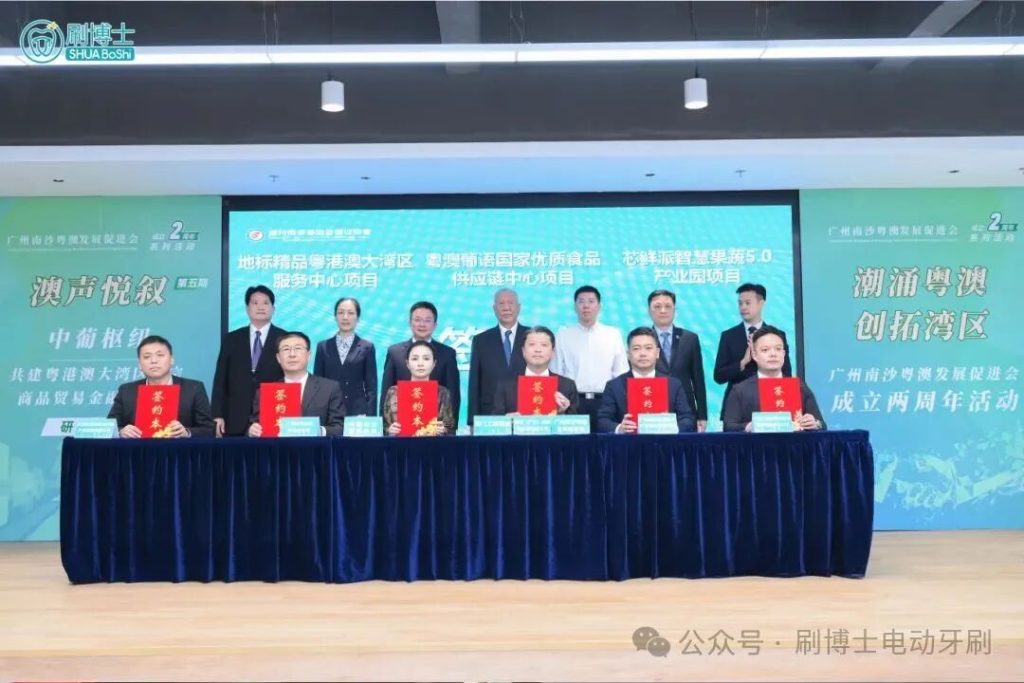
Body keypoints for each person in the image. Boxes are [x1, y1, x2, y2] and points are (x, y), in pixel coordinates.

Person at [551, 285, 628, 432]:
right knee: (575, 444)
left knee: (606, 443)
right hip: (573, 403)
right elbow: (556, 373)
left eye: (591, 301)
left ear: (599, 306)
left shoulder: (612, 334)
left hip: (606, 402)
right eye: (581, 301)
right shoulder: (563, 335)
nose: (586, 306)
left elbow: (620, 373)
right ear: (575, 307)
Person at [211, 285, 285, 436]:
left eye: (266, 303)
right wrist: (217, 414)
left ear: (273, 309)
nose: (260, 307)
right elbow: (220, 379)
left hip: (273, 414)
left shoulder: (284, 338)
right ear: (247, 308)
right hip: (234, 417)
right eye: (255, 303)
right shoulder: (232, 339)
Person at [108, 335, 215, 438]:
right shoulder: (126, 391)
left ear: (172, 360)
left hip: (179, 449)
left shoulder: (193, 389)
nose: (154, 361)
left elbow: (209, 429)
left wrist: (187, 433)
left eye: (160, 355)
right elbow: (109, 427)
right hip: (138, 449)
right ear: (139, 364)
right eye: (147, 357)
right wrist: (120, 431)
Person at [722, 325, 825, 432]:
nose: (773, 354)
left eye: (778, 349)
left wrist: (816, 424)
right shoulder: (740, 390)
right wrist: (749, 426)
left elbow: (822, 425)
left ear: (783, 354)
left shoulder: (800, 387)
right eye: (765, 350)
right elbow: (728, 427)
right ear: (754, 355)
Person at [713, 283, 793, 420]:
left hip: (771, 404)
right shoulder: (728, 336)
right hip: (737, 406)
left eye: (748, 303)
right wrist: (742, 363)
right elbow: (719, 376)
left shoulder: (777, 335)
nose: (743, 307)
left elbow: (786, 373)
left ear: (761, 303)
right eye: (740, 303)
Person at [596, 327, 696, 434]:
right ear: (628, 354)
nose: (642, 353)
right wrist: (620, 428)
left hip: (664, 443)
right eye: (636, 348)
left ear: (657, 353)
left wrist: (671, 427)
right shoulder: (614, 386)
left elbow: (687, 418)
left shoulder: (673, 385)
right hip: (628, 443)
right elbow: (602, 421)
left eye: (648, 348)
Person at [247, 332, 345, 437]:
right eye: (286, 349)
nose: (292, 354)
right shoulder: (265, 392)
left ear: (309, 355)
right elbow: (254, 424)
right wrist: (252, 431)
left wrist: (317, 430)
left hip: (315, 447)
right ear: (278, 358)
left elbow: (340, 427)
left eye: (298, 348)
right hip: (278, 447)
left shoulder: (329, 388)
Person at [380, 301, 461, 419]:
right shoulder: (395, 352)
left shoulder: (447, 354)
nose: (422, 324)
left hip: (435, 425)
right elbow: (386, 393)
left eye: (427, 320)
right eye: (417, 320)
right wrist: (386, 425)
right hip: (401, 424)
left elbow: (453, 394)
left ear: (435, 325)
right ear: (410, 323)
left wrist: (449, 426)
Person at [648, 289, 708, 432]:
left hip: (685, 410)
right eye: (657, 306)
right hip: (652, 409)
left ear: (675, 309)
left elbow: (698, 379)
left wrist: (702, 415)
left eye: (668, 306)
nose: (663, 310)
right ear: (649, 310)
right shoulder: (642, 340)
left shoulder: (690, 338)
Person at [468, 288, 528, 424]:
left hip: (526, 412)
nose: (506, 308)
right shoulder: (481, 340)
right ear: (494, 309)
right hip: (490, 413)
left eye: (510, 303)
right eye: (501, 304)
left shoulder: (532, 336)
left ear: (519, 307)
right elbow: (474, 383)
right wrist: (472, 421)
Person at [492, 325, 579, 416]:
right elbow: (495, 419)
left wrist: (562, 413)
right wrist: (508, 420)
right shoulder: (506, 385)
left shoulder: (567, 386)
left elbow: (576, 422)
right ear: (523, 351)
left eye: (544, 345)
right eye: (532, 344)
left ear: (553, 352)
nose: (538, 350)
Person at [313, 296, 378, 416]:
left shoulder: (367, 347)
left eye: (350, 313)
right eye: (341, 313)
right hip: (330, 412)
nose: (345, 317)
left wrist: (370, 417)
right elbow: (318, 384)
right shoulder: (323, 347)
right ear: (335, 317)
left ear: (358, 318)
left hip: (358, 414)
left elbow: (371, 388)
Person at [382, 341, 456, 436]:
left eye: (426, 359)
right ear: (407, 363)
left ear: (434, 363)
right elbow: (385, 426)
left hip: (433, 444)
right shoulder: (394, 392)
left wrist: (443, 430)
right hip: (401, 444)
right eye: (415, 359)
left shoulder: (442, 392)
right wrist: (390, 431)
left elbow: (450, 426)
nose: (420, 363)